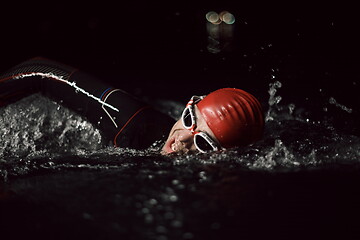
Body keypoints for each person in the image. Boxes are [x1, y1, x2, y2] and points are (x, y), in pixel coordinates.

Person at [0, 57, 264, 154]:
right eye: (187, 119)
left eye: (203, 143)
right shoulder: (128, 122)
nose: (182, 138)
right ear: (189, 104)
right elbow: (41, 72)